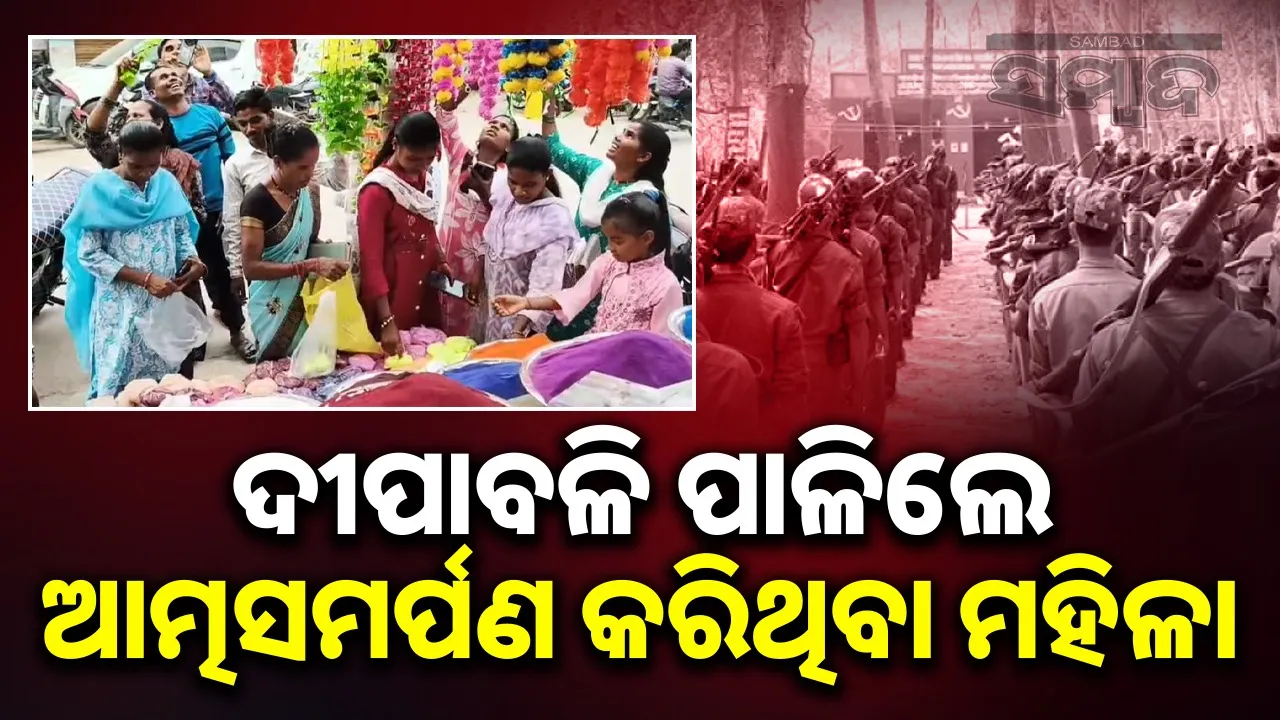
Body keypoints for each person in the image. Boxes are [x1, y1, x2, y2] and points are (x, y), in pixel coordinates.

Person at [1071, 203, 1280, 446]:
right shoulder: (1266, 340)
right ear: (1221, 261)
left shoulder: (1108, 344)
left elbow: (1083, 435)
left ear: (1152, 259)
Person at [61, 123, 208, 402]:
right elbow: (89, 254)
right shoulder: (99, 189)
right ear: (120, 154)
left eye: (152, 165)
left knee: (161, 385)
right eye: (136, 166)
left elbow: (179, 232)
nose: (144, 174)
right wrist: (144, 279)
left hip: (161, 305)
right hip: (119, 307)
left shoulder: (164, 183)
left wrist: (192, 260)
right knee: (116, 380)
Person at [541, 98, 676, 340]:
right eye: (623, 130)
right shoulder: (597, 173)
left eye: (628, 135)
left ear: (644, 156)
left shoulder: (645, 199)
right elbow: (555, 150)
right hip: (578, 283)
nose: (618, 136)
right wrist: (548, 112)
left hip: (617, 298)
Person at [147, 64, 253, 361]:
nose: (171, 78)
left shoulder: (209, 116)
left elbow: (231, 163)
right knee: (183, 281)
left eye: (173, 74)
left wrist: (236, 206)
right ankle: (194, 340)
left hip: (214, 213)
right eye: (162, 77)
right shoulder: (159, 127)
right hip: (175, 219)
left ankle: (237, 332)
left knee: (222, 275)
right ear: (153, 93)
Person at [491, 191, 682, 335]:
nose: (611, 247)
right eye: (608, 239)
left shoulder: (666, 285)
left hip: (634, 371)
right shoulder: (609, 262)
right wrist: (525, 303)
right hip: (598, 349)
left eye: (618, 241)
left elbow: (662, 346)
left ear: (647, 238)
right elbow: (574, 295)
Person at [223, 88, 350, 295]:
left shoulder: (300, 151)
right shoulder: (237, 166)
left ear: (270, 116)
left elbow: (336, 184)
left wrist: (339, 143)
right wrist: (236, 271)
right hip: (270, 279)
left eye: (255, 120)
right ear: (278, 163)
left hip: (304, 279)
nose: (249, 129)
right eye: (242, 124)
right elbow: (232, 219)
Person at [240, 124, 349, 361]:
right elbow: (250, 268)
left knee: (311, 369)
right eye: (302, 167)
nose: (310, 174)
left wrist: (330, 252)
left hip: (306, 298)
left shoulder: (309, 192)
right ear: (278, 162)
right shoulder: (257, 201)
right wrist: (309, 266)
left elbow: (306, 242)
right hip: (272, 306)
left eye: (313, 165)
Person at [696, 205, 809, 429]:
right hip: (756, 431)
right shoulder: (781, 312)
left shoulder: (685, 307)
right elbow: (791, 395)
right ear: (753, 249)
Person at [357, 112, 454, 356]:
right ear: (395, 145)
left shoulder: (423, 176)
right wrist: (386, 321)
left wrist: (440, 259)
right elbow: (371, 261)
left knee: (423, 358)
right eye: (413, 159)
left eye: (429, 159)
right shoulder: (377, 191)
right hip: (390, 295)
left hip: (421, 285)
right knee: (390, 363)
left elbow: (428, 223)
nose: (421, 166)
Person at [1029, 185, 1140, 383]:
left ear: (1073, 231)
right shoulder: (1143, 296)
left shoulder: (1045, 299)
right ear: (1120, 234)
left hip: (1065, 410)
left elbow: (1039, 375)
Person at [435, 86, 521, 340]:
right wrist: (461, 93)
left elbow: (508, 222)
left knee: (466, 337)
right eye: (492, 122)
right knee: (434, 329)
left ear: (510, 147)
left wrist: (485, 193)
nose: (495, 126)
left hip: (479, 272)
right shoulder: (461, 157)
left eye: (504, 128)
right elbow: (445, 117)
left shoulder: (510, 179)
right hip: (443, 259)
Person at [479, 137, 577, 341]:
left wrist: (519, 331)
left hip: (520, 320)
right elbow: (491, 239)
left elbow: (545, 285)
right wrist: (476, 275)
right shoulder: (505, 194)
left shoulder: (554, 221)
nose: (519, 191)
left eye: (529, 185)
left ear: (547, 176)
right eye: (513, 182)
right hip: (493, 305)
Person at [141, 40, 234, 114]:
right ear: (160, 61)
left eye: (180, 48)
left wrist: (209, 73)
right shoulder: (153, 87)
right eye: (169, 49)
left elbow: (234, 108)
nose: (176, 52)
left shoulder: (204, 84)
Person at [655, 41, 693, 107]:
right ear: (682, 51)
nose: (686, 54)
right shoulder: (679, 62)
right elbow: (690, 77)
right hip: (673, 92)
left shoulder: (662, 60)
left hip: (661, 90)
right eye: (686, 52)